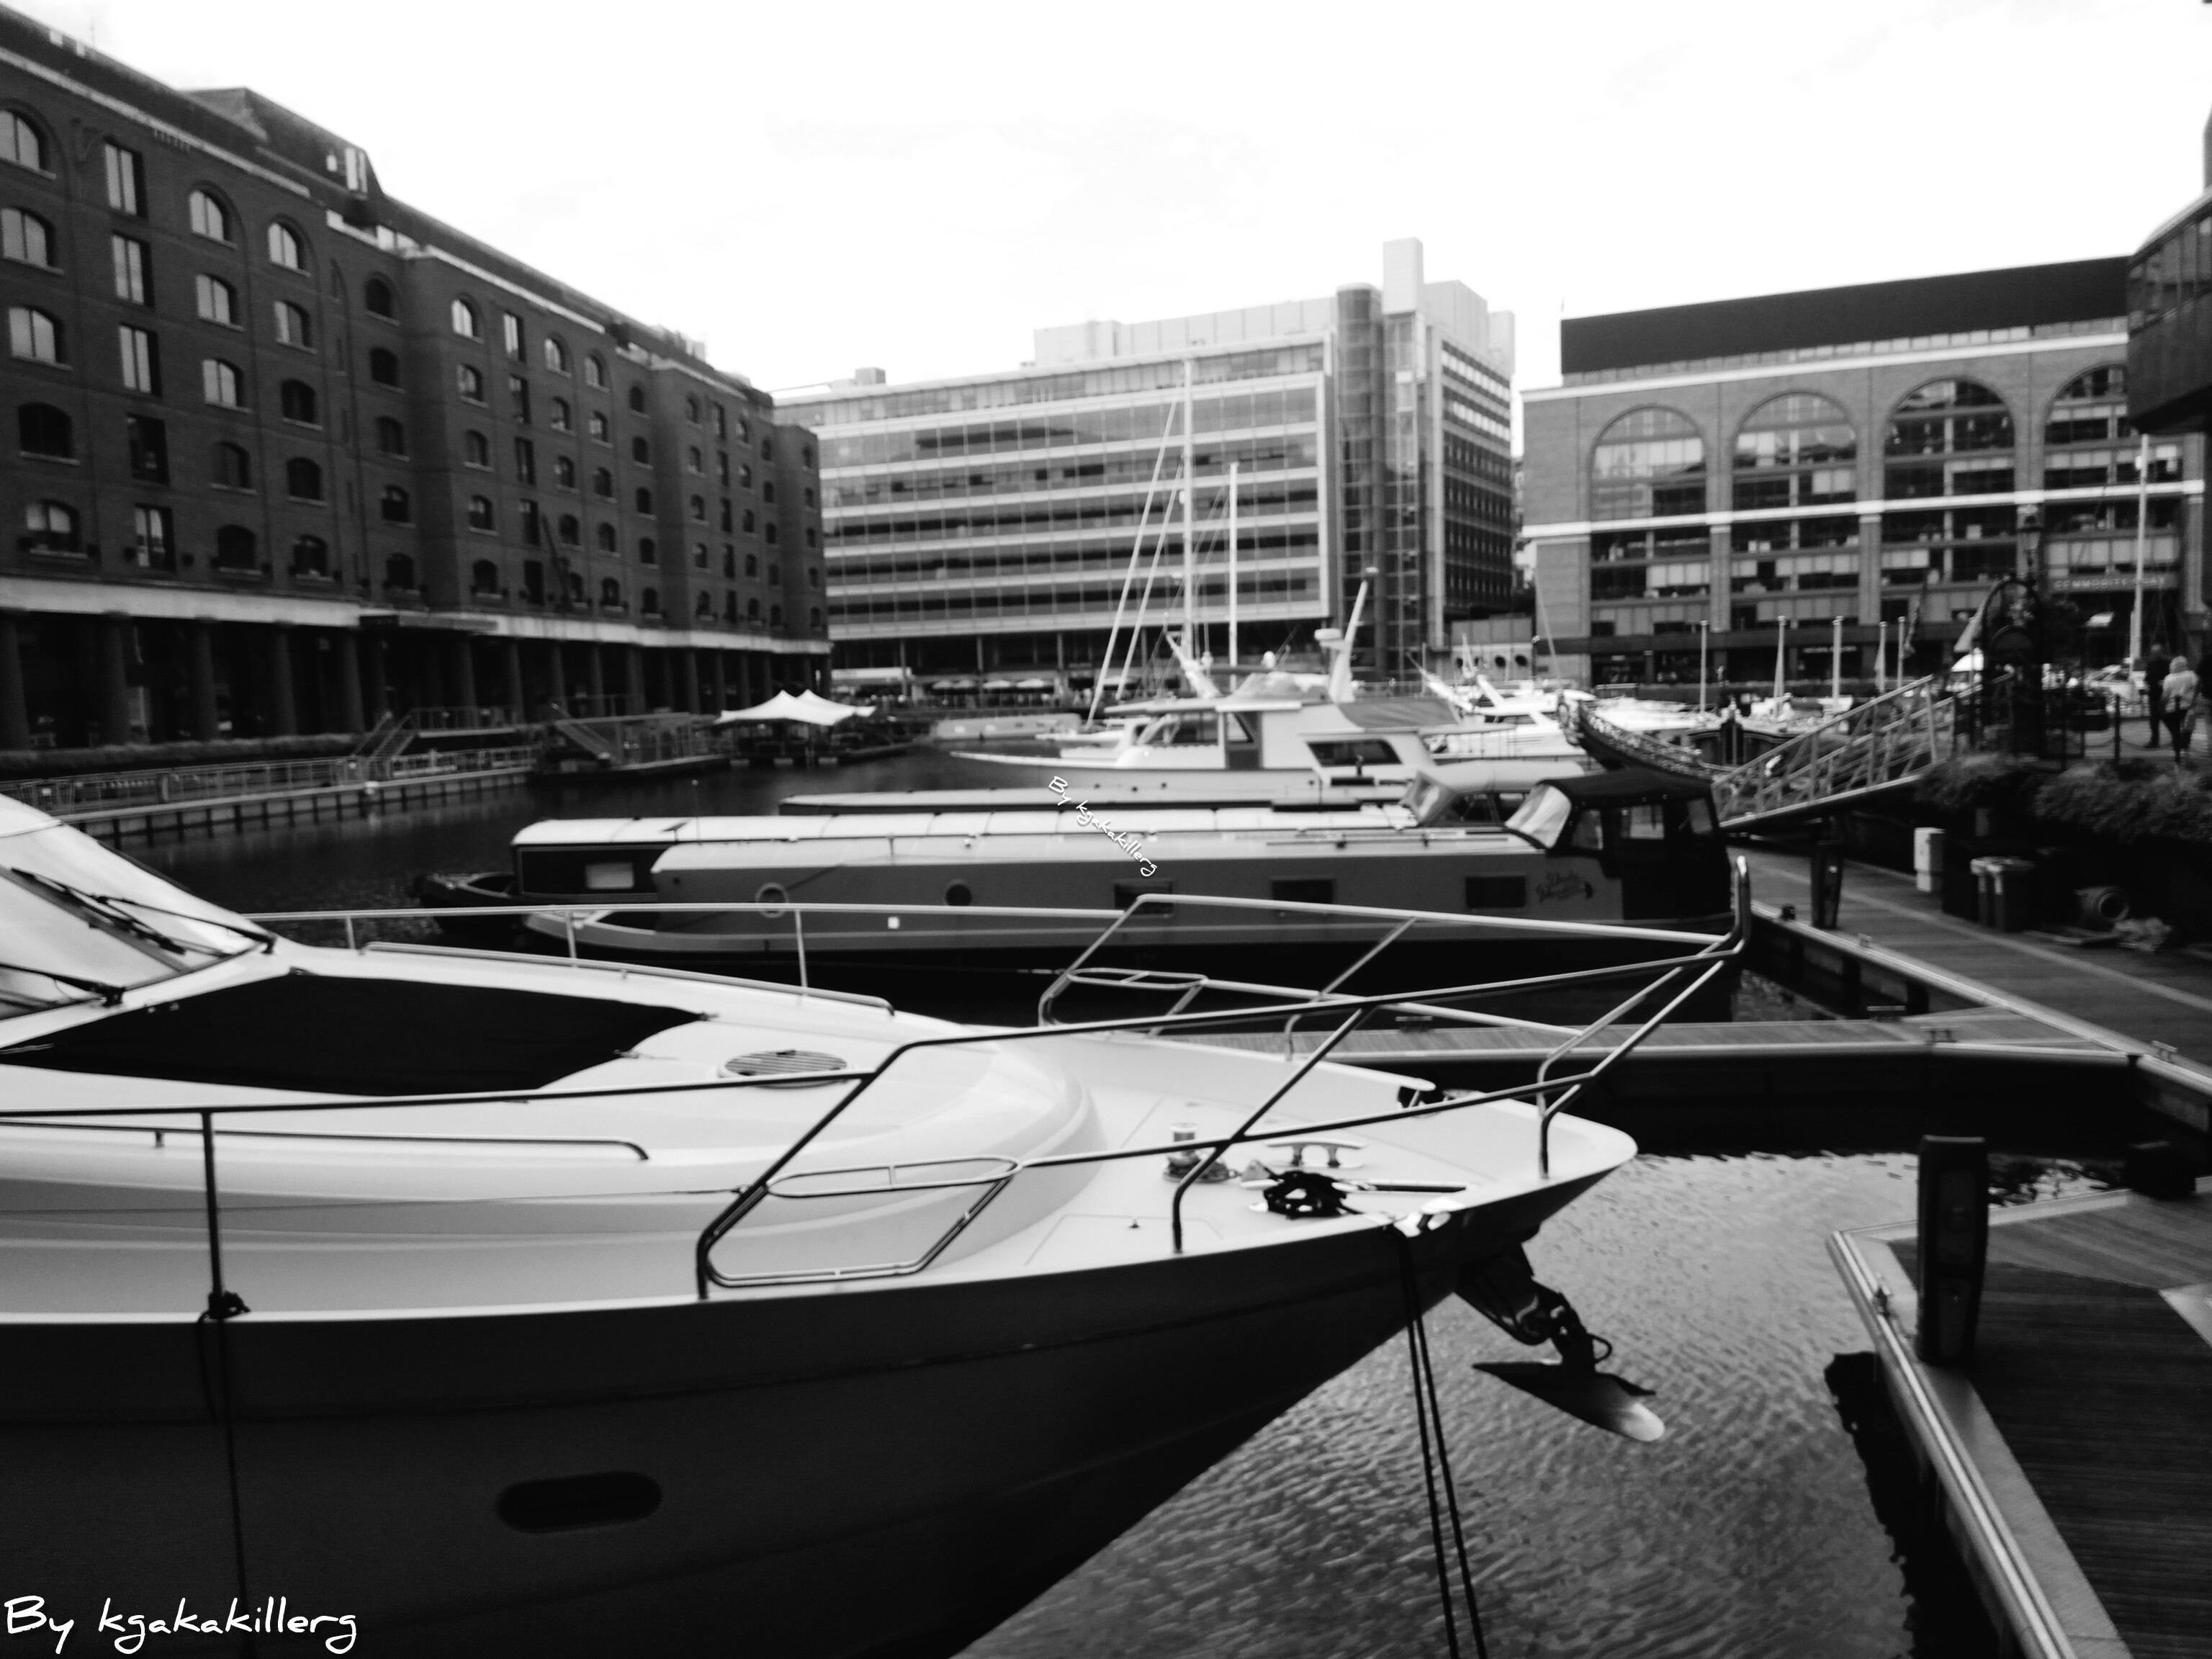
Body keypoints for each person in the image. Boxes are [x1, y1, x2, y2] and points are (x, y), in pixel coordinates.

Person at [2162, 653, 2200, 764]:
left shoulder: (2168, 678)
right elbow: (2197, 685)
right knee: (2187, 729)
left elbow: (2165, 695)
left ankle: (2177, 753)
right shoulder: (2191, 675)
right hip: (2187, 706)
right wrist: (2193, 698)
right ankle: (2184, 749)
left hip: (2171, 708)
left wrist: (2162, 706)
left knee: (2175, 731)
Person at [2145, 652, 2170, 747]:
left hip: (2156, 694)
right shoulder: (2166, 664)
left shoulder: (2152, 665)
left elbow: (2148, 678)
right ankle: (2175, 737)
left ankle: (2155, 741)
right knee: (2163, 718)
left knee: (2156, 719)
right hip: (2160, 694)